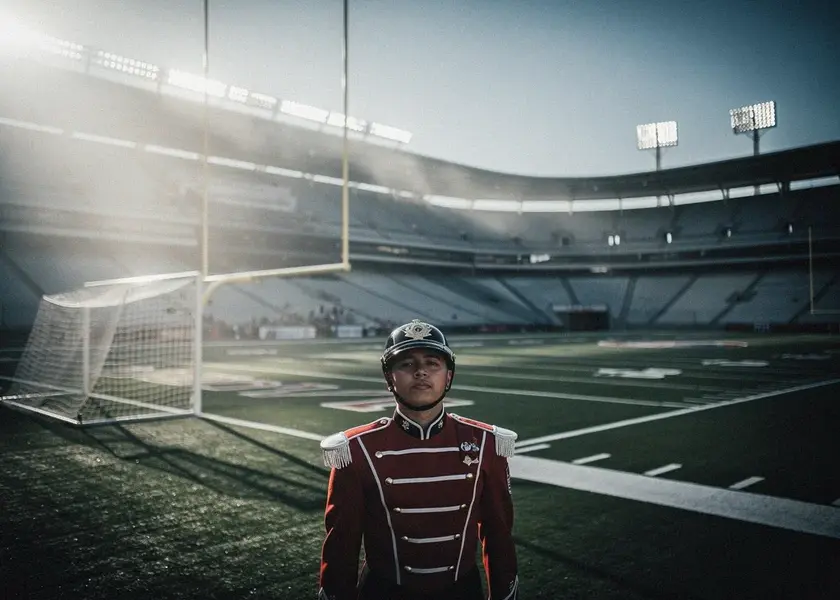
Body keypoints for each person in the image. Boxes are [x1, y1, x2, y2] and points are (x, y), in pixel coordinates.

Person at [318, 319, 519, 600]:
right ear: (390, 378)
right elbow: (341, 546)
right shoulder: (356, 449)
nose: (421, 371)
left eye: (432, 362)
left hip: (462, 592)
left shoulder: (486, 443)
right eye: (407, 364)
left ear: (448, 376)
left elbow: (499, 536)